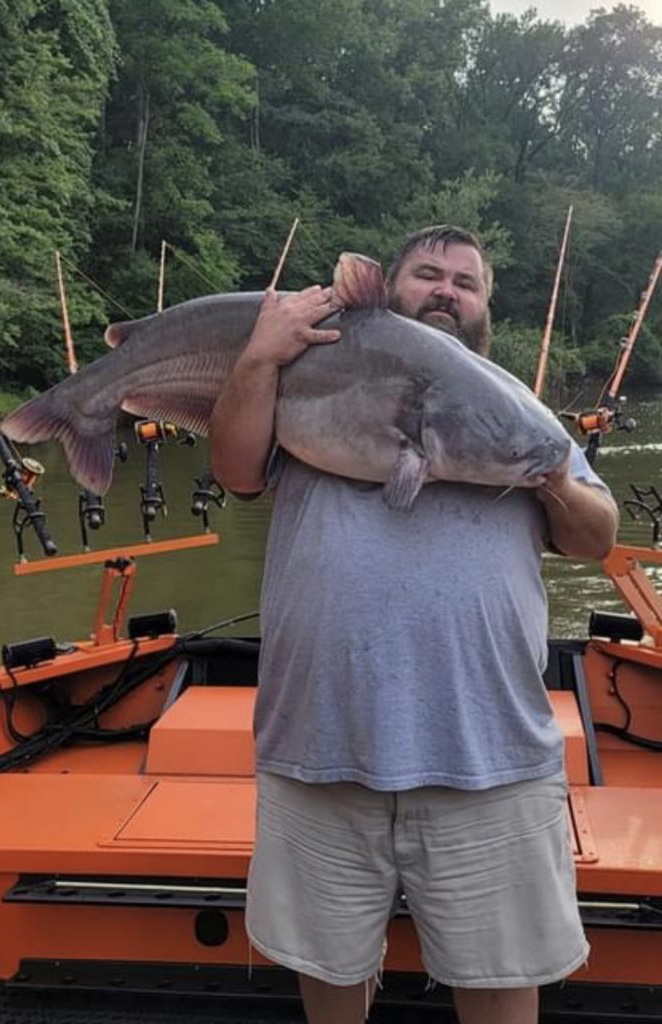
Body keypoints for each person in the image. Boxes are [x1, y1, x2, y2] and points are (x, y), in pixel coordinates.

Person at [208, 225, 619, 1024]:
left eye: (465, 282)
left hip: (487, 756)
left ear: (484, 306)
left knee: (501, 986)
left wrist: (548, 483)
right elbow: (234, 471)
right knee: (327, 980)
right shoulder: (302, 371)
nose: (445, 291)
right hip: (319, 749)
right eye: (427, 274)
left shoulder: (518, 411)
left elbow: (595, 536)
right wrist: (259, 355)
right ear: (388, 287)